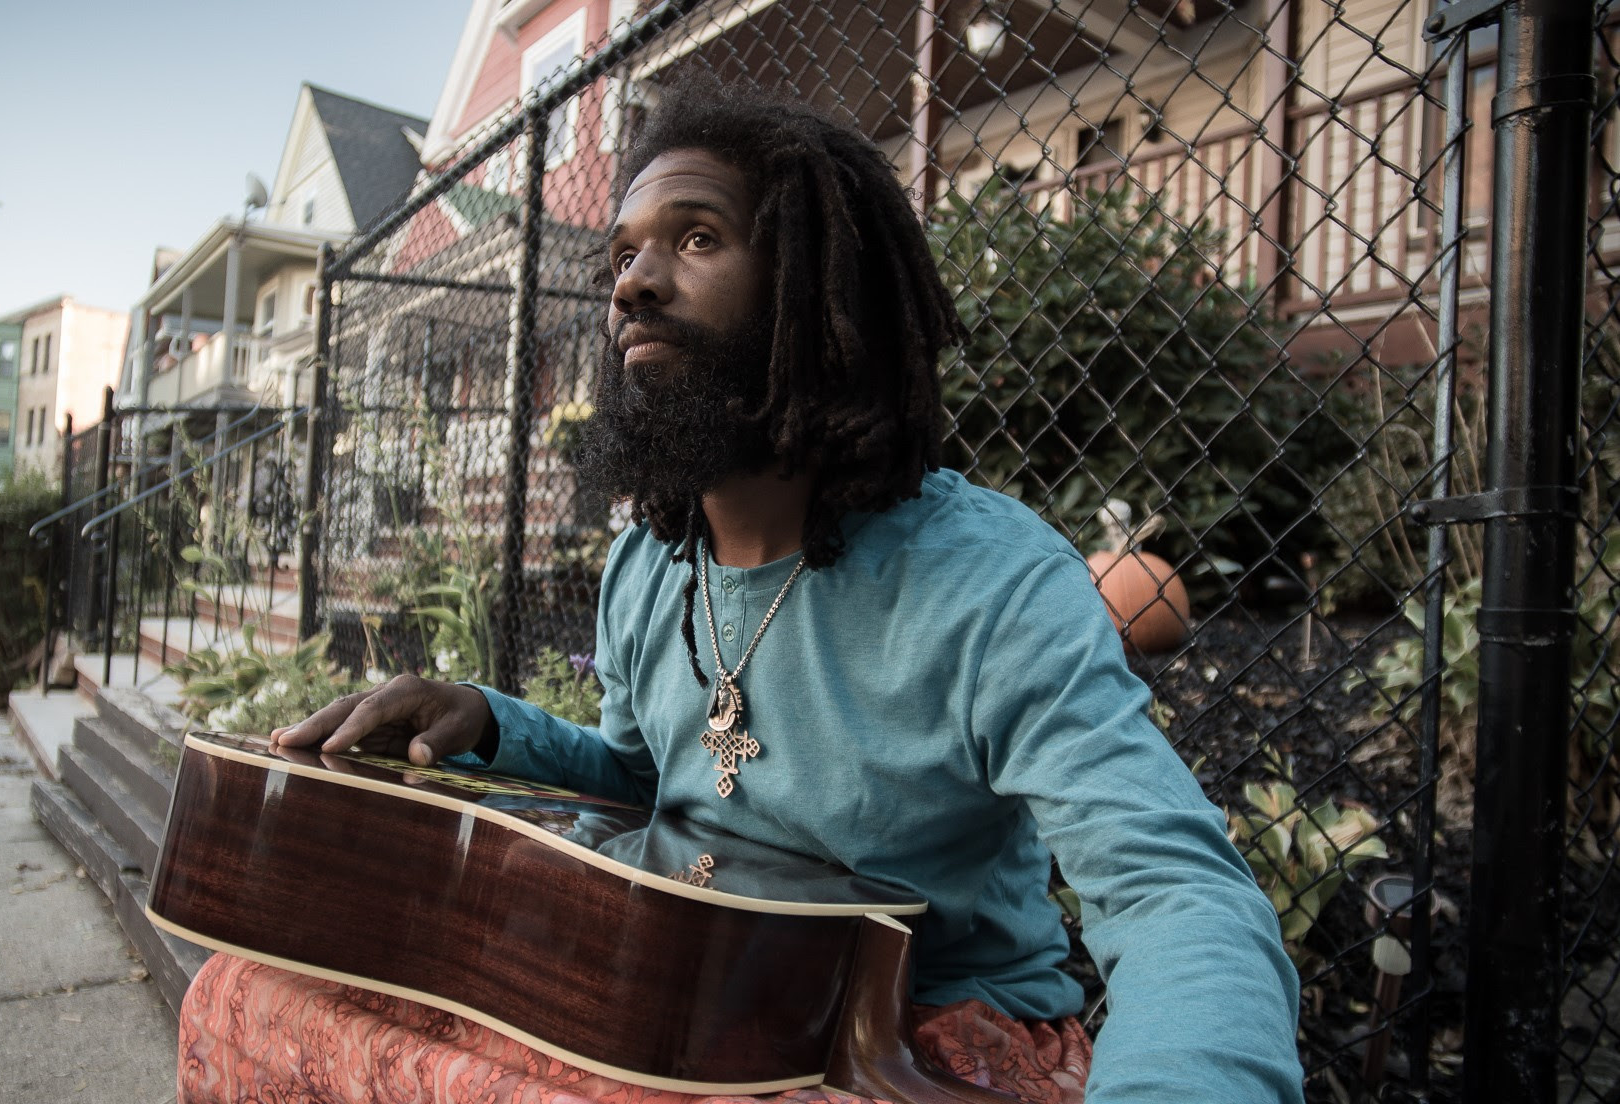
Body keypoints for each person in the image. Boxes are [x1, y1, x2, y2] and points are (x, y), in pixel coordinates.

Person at [177, 80, 1303, 1104]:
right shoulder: (647, 562)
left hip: (916, 1026)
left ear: (819, 293)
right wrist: (489, 723)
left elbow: (1175, 896)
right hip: (684, 988)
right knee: (243, 992)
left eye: (697, 237)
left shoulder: (994, 583)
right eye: (620, 255)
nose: (632, 281)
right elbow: (642, 785)